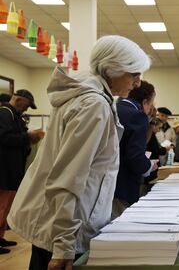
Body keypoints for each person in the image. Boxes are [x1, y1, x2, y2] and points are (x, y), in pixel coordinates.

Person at [7, 35, 151, 270]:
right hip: (64, 232)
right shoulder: (93, 105)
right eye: (134, 74)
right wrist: (64, 244)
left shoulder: (88, 98)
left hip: (59, 224)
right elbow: (69, 177)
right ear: (112, 69)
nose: (137, 83)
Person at [0, 90, 44, 255]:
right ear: (18, 100)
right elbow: (4, 138)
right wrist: (28, 137)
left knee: (6, 207)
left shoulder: (14, 115)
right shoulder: (5, 114)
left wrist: (29, 138)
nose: (26, 110)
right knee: (1, 205)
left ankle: (1, 236)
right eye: (26, 105)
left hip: (12, 169)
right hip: (4, 169)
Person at [113, 81, 157, 216]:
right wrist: (148, 166)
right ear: (144, 102)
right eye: (150, 104)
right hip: (123, 186)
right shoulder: (137, 116)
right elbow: (135, 156)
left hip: (106, 185)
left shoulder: (114, 108)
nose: (150, 108)